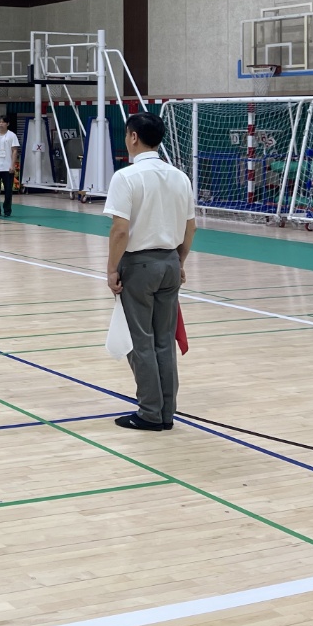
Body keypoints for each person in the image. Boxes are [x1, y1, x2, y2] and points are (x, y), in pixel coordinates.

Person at [104, 112, 196, 432]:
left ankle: (150, 412)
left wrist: (111, 269)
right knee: (164, 341)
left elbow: (120, 230)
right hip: (170, 262)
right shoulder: (180, 177)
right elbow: (191, 227)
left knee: (140, 341)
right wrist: (179, 262)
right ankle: (166, 412)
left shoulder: (126, 177)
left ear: (133, 137)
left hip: (139, 265)